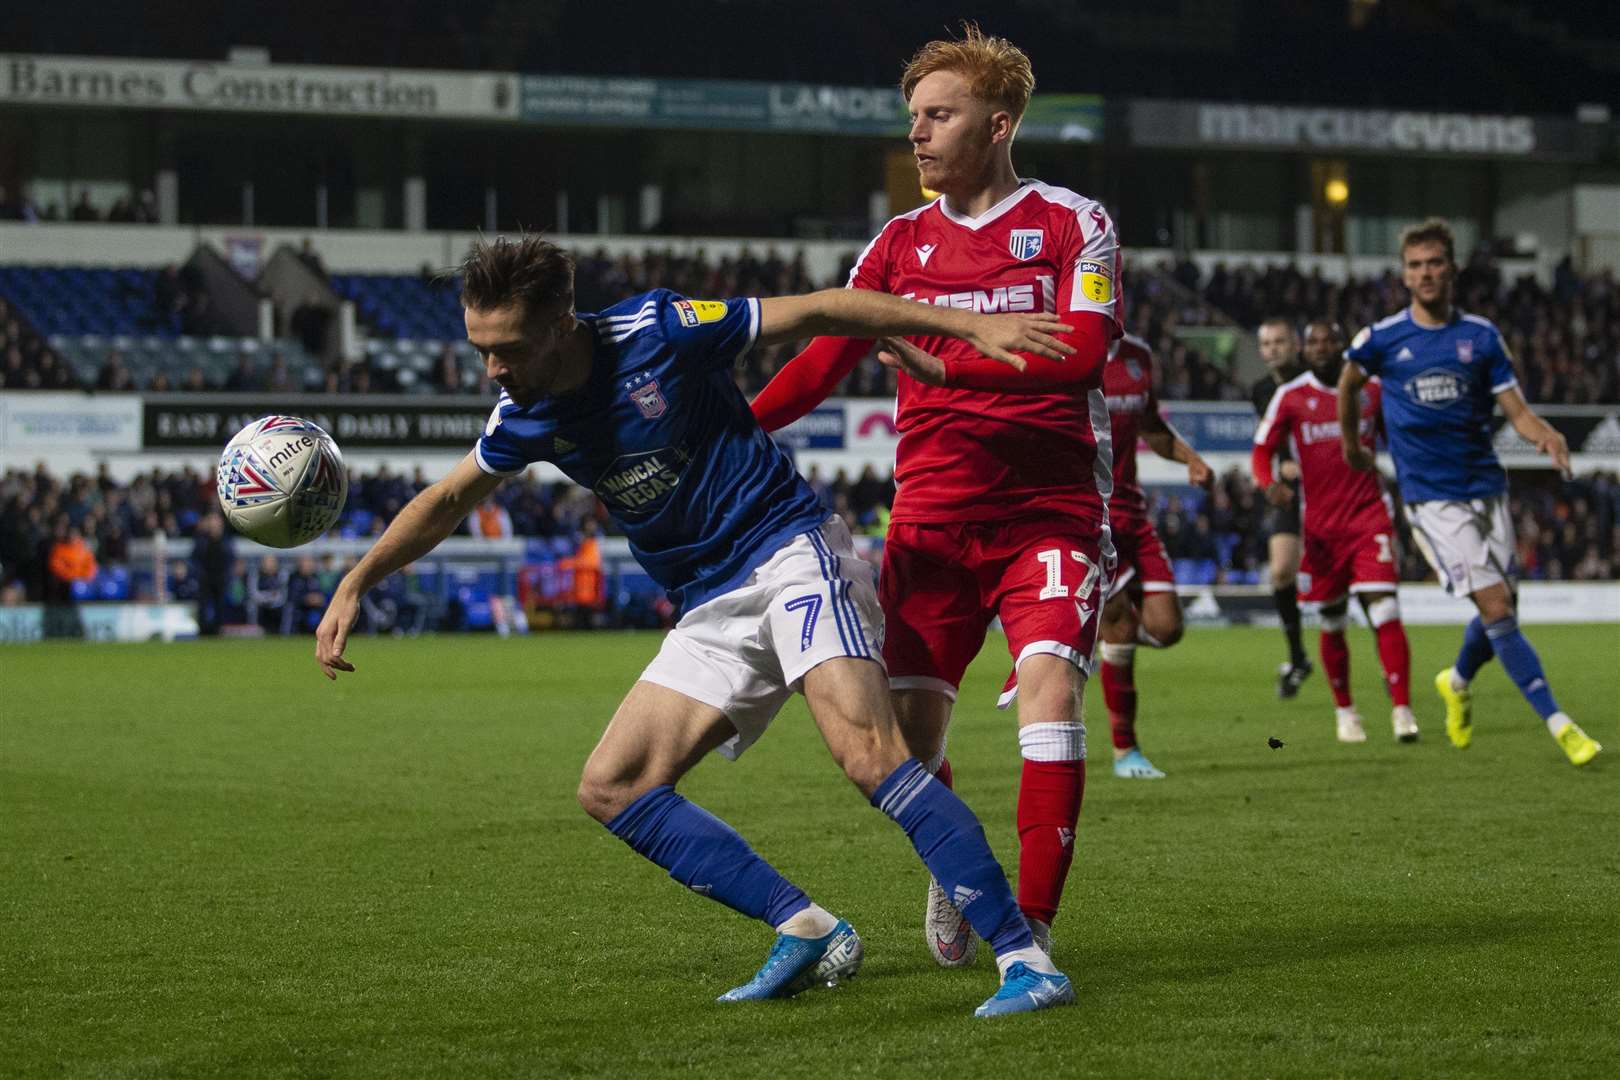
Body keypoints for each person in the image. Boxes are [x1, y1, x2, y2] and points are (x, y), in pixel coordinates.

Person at [314, 233, 1080, 1017]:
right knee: (613, 786)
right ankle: (805, 925)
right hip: (711, 600)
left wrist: (966, 325)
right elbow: (447, 500)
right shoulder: (524, 414)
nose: (493, 371)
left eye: (506, 349)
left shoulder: (661, 330)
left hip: (788, 550)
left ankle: (1025, 958)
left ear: (560, 324)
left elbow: (820, 308)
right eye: (481, 350)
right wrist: (356, 581)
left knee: (869, 756)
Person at [749, 25, 1118, 970]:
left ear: (998, 126)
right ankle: (958, 865)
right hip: (931, 522)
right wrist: (734, 430)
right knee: (907, 744)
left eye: (938, 116)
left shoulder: (1077, 222)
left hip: (1051, 510)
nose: (917, 135)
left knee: (1051, 690)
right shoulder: (898, 243)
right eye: (913, 117)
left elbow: (1077, 357)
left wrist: (944, 371)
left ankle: (1029, 926)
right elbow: (824, 359)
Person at [1339, 218, 1600, 767]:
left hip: (1486, 487)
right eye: (1415, 265)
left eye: (1434, 262)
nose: (1425, 273)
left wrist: (1546, 436)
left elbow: (1518, 413)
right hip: (1432, 500)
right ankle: (1559, 722)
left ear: (1452, 269)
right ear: (1404, 276)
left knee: (1505, 607)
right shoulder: (1383, 338)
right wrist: (1352, 443)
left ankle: (1456, 681)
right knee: (1497, 605)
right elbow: (1347, 381)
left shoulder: (1480, 337)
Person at [1253, 321, 1418, 744]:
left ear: (1343, 347)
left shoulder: (1373, 389)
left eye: (1329, 341)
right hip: (1321, 527)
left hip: (1368, 517)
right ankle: (1346, 712)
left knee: (1385, 608)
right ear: (1305, 350)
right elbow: (1261, 449)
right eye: (1314, 343)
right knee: (1331, 621)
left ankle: (1402, 710)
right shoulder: (1290, 397)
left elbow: (1397, 439)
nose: (1322, 348)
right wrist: (1269, 483)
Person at [1094, 333, 1213, 779]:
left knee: (1167, 628)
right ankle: (1126, 750)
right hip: (1090, 511)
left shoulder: (1138, 356)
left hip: (1132, 510)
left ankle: (1095, 634)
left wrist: (1190, 458)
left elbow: (1152, 427)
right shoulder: (1063, 345)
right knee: (1122, 622)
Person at [1251, 318, 1312, 698]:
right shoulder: (1260, 390)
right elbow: (1267, 441)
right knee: (1281, 571)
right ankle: (1297, 657)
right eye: (1267, 343)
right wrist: (1275, 472)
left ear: (1296, 344)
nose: (1273, 349)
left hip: (1327, 485)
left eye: (1280, 341)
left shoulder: (1314, 379)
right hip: (1290, 489)